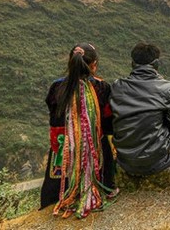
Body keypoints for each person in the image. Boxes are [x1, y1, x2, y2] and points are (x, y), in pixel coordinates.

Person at [40, 43, 117, 218]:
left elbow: (54, 116)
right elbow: (108, 123)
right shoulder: (101, 87)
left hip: (63, 147)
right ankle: (98, 188)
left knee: (56, 183)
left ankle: (60, 198)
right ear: (94, 65)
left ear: (70, 62)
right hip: (94, 150)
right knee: (103, 143)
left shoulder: (57, 87)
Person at [110, 42, 170, 176]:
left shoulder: (117, 86)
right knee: (166, 120)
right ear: (156, 64)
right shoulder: (165, 87)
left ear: (133, 63)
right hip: (155, 161)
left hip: (125, 160)